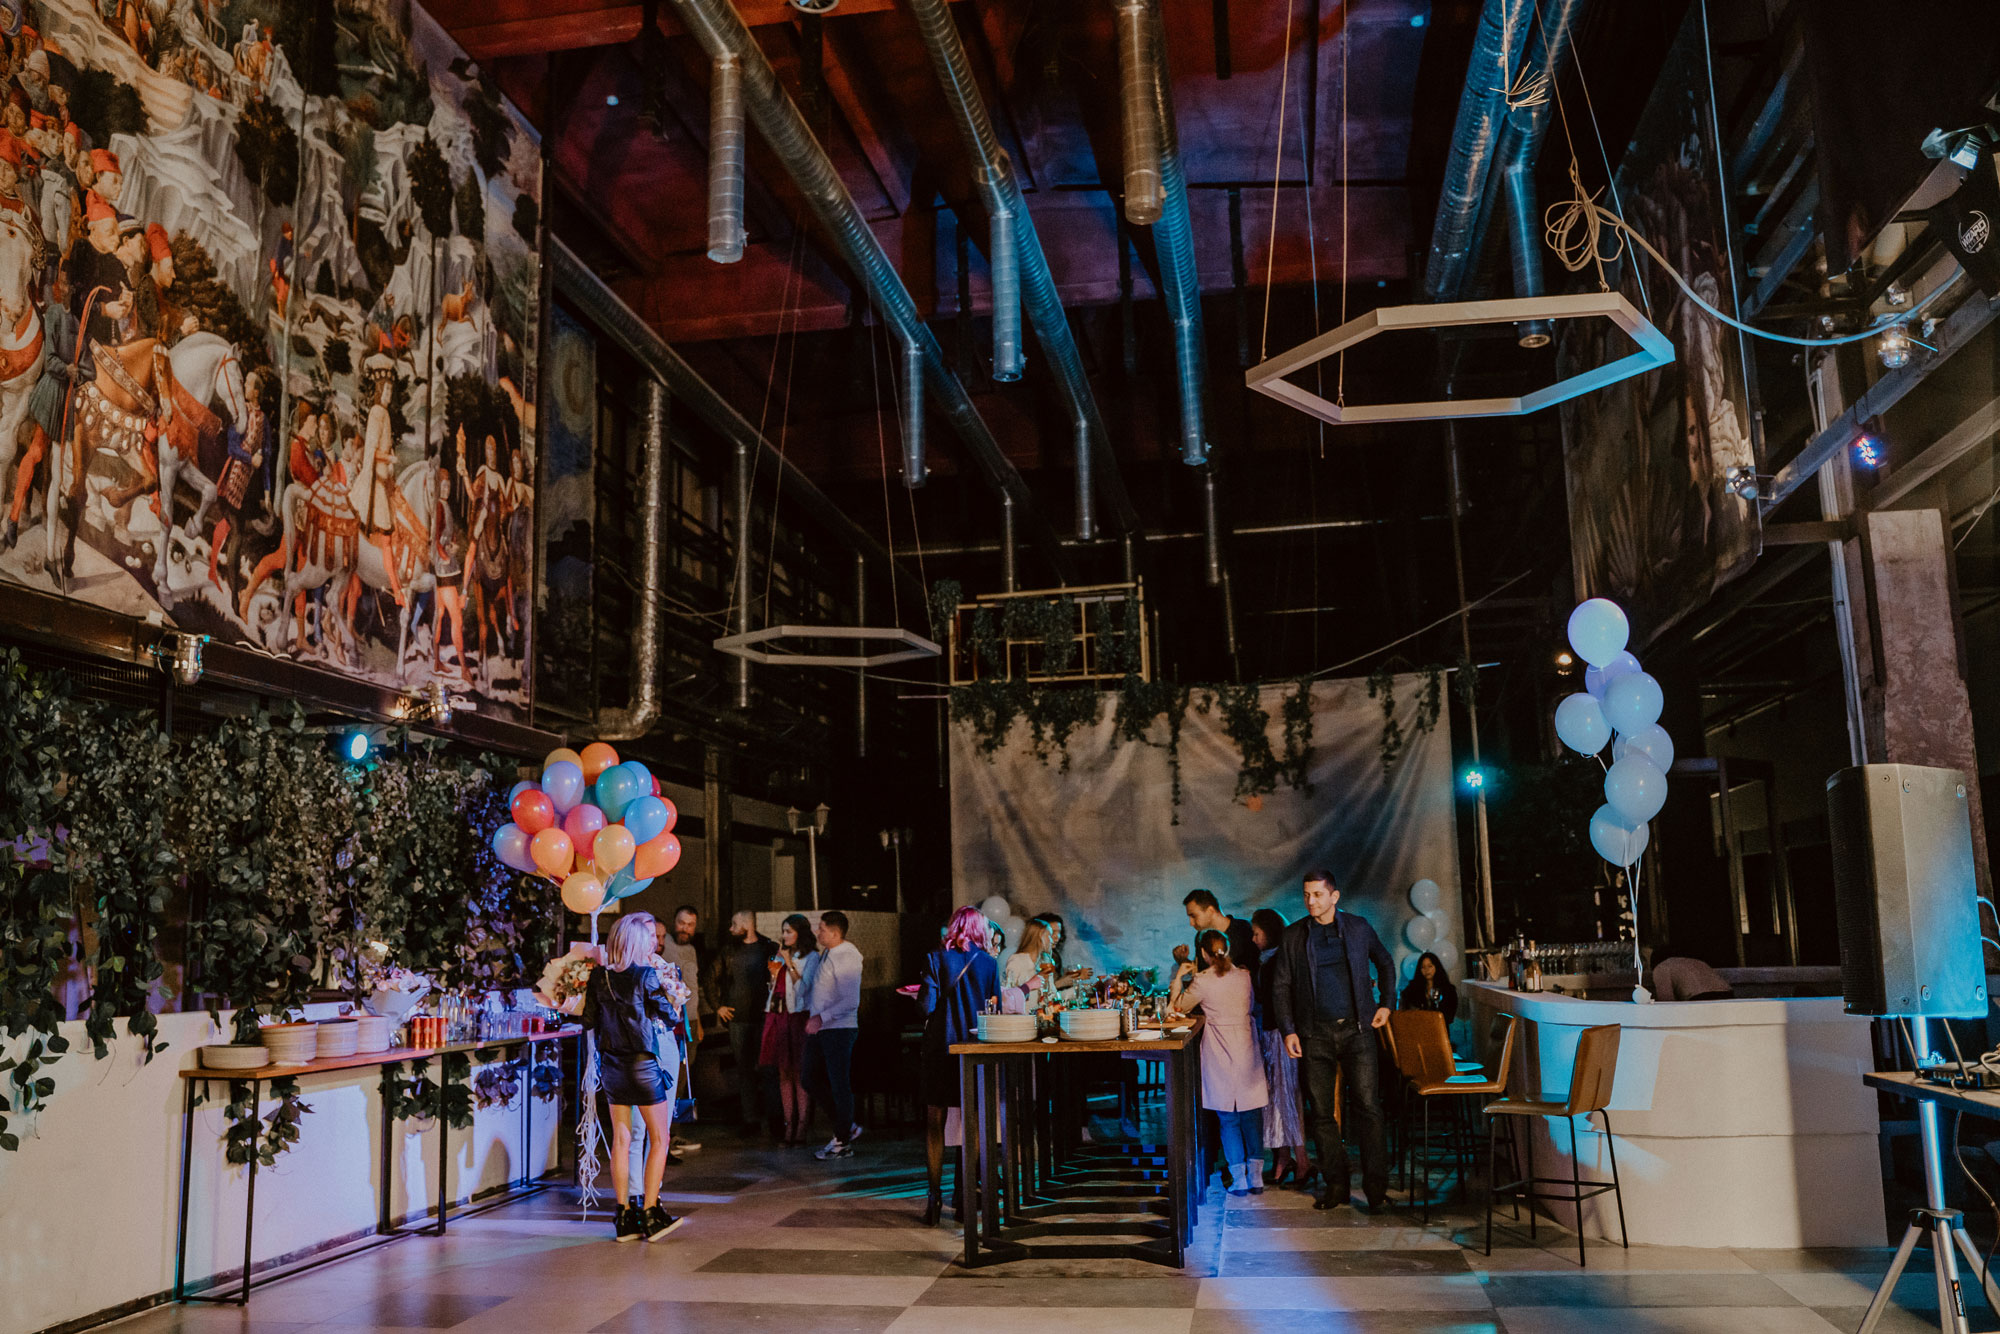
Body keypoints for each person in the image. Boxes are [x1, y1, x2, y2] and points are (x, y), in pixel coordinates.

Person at [1272, 868, 1396, 1212]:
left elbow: (1385, 963)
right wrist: (1288, 1030)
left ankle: (1375, 1190)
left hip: (1357, 1030)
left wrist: (1387, 1004)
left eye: (1317, 895)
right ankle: (1336, 1185)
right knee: (1322, 1114)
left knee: (1368, 1108)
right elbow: (1280, 985)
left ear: (1334, 896)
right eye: (1306, 895)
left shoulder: (1357, 927)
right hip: (1315, 1034)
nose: (1311, 901)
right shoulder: (1294, 935)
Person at [581, 912, 688, 1243]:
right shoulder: (645, 975)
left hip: (611, 1066)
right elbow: (669, 1016)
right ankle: (652, 1214)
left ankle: (624, 1216)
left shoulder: (599, 976)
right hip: (642, 1065)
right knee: (660, 1138)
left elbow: (588, 1020)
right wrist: (673, 1000)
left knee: (621, 1139)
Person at [1170, 928, 1271, 1195]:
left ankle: (1239, 1179)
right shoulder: (1244, 977)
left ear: (1204, 954)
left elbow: (1177, 1008)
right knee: (1251, 1114)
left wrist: (1179, 976)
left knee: (1228, 1117)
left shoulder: (1203, 981)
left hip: (1220, 1047)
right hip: (1246, 1044)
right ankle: (1256, 1178)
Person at [917, 906, 1002, 1225]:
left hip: (940, 1049)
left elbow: (925, 1006)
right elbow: (995, 1011)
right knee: (973, 1123)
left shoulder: (935, 958)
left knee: (934, 1124)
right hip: (974, 1049)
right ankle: (966, 1197)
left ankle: (934, 1198)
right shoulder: (989, 963)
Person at [1252, 907, 1313, 1189]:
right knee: (1277, 1097)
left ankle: (1301, 1160)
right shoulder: (1269, 960)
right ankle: (1285, 1158)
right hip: (1273, 1032)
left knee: (1287, 1096)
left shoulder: (1278, 961)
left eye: (1257, 933)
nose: (1253, 939)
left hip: (1281, 1034)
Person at [803, 909, 864, 1160]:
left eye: (822, 929)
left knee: (839, 1084)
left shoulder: (847, 956)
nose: (818, 933)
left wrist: (822, 1017)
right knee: (809, 1078)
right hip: (822, 1028)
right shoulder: (828, 953)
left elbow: (851, 1000)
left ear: (835, 933)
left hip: (839, 1029)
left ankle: (842, 1141)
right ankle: (846, 1125)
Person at [719, 911, 777, 1129]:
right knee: (745, 1070)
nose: (731, 929)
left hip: (764, 1017)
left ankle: (775, 1118)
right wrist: (718, 1006)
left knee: (768, 1068)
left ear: (747, 924)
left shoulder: (768, 948)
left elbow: (778, 979)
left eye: (735, 924)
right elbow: (711, 976)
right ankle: (750, 1118)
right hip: (738, 1018)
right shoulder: (729, 950)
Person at [760, 914, 814, 1145]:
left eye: (789, 931)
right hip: (778, 1014)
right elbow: (774, 988)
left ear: (800, 933)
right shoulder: (779, 955)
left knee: (799, 1071)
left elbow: (804, 989)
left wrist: (789, 962)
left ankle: (802, 1124)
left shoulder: (811, 957)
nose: (784, 936)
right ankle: (788, 1123)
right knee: (783, 1071)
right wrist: (773, 975)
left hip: (798, 1016)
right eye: (783, 931)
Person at [653, 907, 703, 1153]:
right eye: (682, 923)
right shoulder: (663, 950)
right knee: (670, 1078)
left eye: (690, 924)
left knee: (683, 1080)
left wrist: (698, 1021)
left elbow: (692, 987)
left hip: (689, 1021)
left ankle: (675, 1134)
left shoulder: (691, 950)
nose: (685, 928)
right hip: (671, 1023)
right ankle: (665, 1137)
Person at [1177, 889, 1258, 977]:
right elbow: (1202, 973)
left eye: (1193, 916)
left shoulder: (1243, 929)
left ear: (1210, 911)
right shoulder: (1201, 937)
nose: (1191, 923)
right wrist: (1183, 960)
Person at [1650, 943, 1735, 1002]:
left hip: (1702, 998)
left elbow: (1666, 1002)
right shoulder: (1695, 962)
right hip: (1728, 995)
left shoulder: (1661, 967)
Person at [1400, 951, 1460, 1025]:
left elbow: (1450, 1016)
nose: (1427, 970)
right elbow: (1405, 1010)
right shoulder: (1412, 989)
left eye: (1430, 966)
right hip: (1418, 1027)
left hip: (1439, 1028)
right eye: (1423, 967)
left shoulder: (1448, 990)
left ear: (1436, 967)